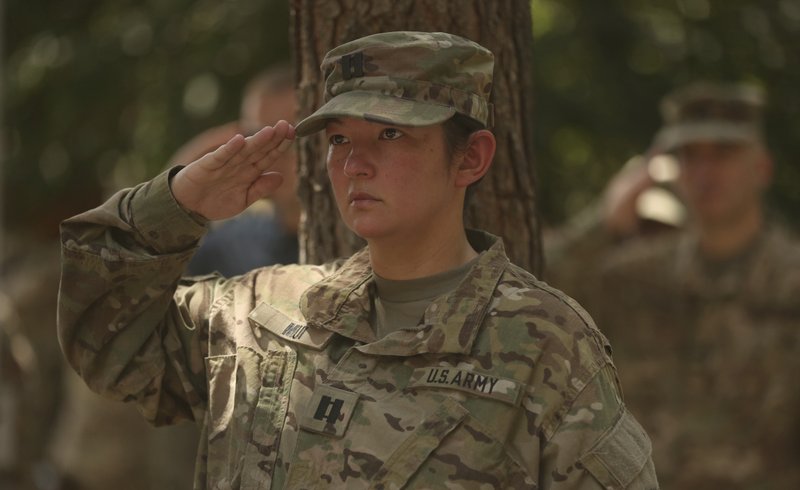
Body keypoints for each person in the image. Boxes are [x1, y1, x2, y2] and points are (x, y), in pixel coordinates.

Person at [58, 31, 658, 489]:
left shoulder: (545, 344)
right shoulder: (260, 312)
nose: (355, 163)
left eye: (392, 135)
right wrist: (176, 204)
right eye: (341, 138)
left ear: (470, 158)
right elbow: (105, 347)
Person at [578, 82, 799, 488]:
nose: (705, 172)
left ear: (762, 168)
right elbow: (533, 292)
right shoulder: (635, 278)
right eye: (689, 155)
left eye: (724, 153)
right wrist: (605, 222)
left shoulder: (791, 285)